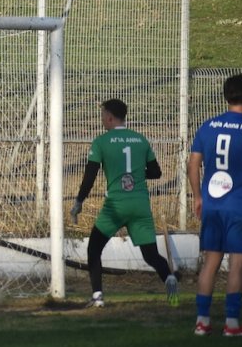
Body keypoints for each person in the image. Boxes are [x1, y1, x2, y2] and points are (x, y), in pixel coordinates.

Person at [70, 99, 177, 308]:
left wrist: (79, 201)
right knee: (151, 255)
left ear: (109, 117)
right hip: (140, 204)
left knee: (94, 249)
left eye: (102, 116)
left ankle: (98, 297)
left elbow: (89, 176)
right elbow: (156, 172)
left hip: (116, 207)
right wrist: (135, 174)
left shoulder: (101, 142)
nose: (102, 120)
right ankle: (170, 282)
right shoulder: (140, 139)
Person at [187, 73, 242, 337]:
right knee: (237, 264)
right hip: (240, 206)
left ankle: (202, 322)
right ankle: (232, 324)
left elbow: (193, 164)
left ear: (226, 96)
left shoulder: (208, 126)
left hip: (212, 205)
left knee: (210, 263)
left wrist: (197, 196)